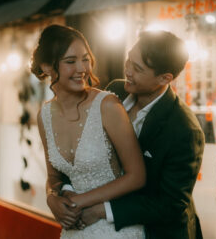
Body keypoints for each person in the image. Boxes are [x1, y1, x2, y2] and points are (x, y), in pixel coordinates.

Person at [63, 30, 206, 238]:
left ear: (165, 78)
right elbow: (84, 144)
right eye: (129, 59)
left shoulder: (184, 129)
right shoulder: (115, 92)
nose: (127, 70)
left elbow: (170, 204)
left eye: (137, 68)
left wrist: (103, 210)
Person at [31, 24, 146, 238]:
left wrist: (78, 201)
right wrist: (51, 198)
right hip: (74, 230)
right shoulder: (44, 116)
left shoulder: (107, 105)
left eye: (85, 58)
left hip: (115, 228)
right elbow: (54, 177)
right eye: (70, 62)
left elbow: (137, 176)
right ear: (47, 67)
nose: (82, 68)